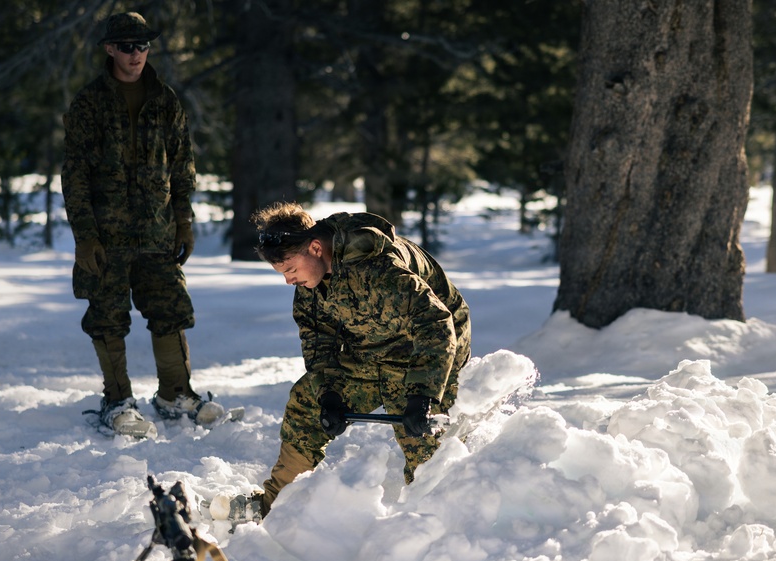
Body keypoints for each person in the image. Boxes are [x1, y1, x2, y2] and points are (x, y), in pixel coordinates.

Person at [250, 202, 471, 517]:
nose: (288, 281)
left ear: (315, 248)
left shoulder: (379, 268)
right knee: (306, 405)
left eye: (290, 270)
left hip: (428, 348)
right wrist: (328, 394)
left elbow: (436, 324)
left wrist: (422, 395)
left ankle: (435, 519)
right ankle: (276, 507)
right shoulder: (311, 285)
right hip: (371, 343)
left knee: (421, 433)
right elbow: (317, 338)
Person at [62, 12, 224, 437]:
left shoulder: (166, 100)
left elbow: (183, 167)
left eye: (144, 46)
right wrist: (85, 238)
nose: (137, 54)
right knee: (107, 318)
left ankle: (176, 394)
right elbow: (75, 174)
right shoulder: (90, 103)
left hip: (157, 233)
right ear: (111, 49)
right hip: (106, 236)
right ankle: (117, 402)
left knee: (171, 310)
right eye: (128, 46)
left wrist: (184, 223)